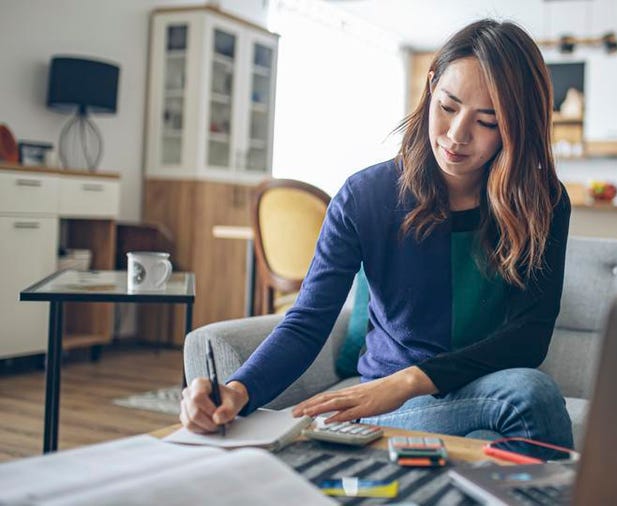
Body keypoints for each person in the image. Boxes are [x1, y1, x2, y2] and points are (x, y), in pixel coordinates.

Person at [180, 19, 573, 447]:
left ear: (517, 127)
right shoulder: (366, 196)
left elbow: (530, 337)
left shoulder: (542, 201)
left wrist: (408, 380)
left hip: (477, 388)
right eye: (448, 107)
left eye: (488, 121)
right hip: (394, 406)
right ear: (430, 86)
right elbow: (307, 322)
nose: (457, 135)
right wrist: (237, 392)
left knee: (518, 401)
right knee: (526, 401)